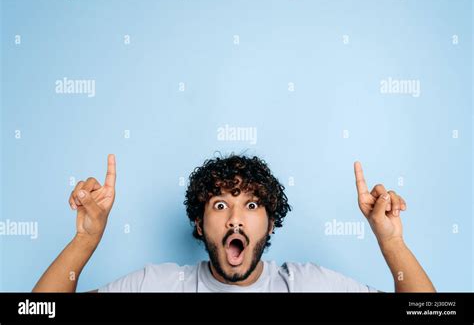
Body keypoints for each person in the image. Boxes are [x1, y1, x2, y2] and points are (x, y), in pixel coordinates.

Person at [33, 154, 435, 292]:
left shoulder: (307, 284)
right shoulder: (156, 284)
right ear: (197, 222)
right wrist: (85, 239)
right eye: (221, 205)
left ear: (271, 225)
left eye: (253, 205)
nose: (236, 218)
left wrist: (393, 244)